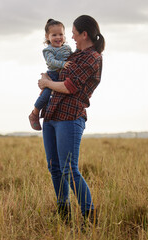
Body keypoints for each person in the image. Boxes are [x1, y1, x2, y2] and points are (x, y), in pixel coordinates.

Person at [37, 15, 105, 225]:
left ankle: (89, 218)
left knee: (69, 169)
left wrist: (47, 83)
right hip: (52, 115)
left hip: (70, 117)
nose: (72, 37)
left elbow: (69, 86)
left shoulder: (92, 58)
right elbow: (56, 75)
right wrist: (47, 82)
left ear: (84, 34)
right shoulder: (75, 55)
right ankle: (63, 214)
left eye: (74, 33)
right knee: (54, 168)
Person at [29, 19, 73, 131]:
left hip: (64, 75)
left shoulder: (67, 48)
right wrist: (63, 64)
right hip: (53, 75)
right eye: (54, 35)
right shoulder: (48, 50)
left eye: (61, 34)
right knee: (46, 93)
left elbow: (73, 58)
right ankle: (35, 113)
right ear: (47, 36)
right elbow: (51, 62)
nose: (58, 37)